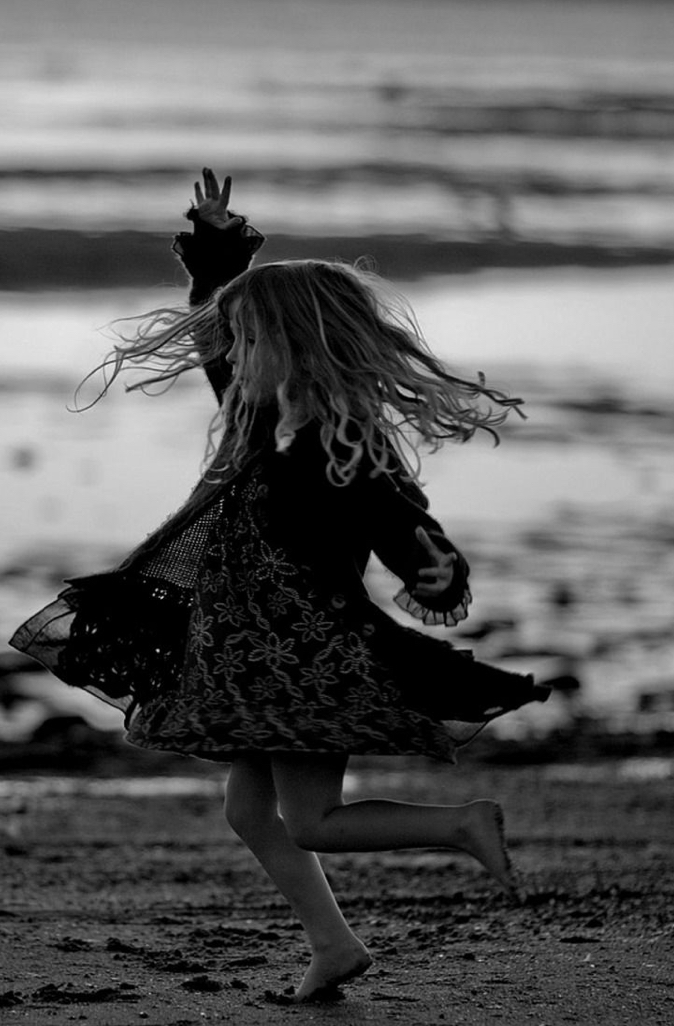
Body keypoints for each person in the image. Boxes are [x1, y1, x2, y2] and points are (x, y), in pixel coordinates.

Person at [10, 169, 549, 1003]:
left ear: (297, 350)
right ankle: (333, 945)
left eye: (253, 344)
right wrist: (218, 250)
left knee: (312, 822)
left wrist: (439, 574)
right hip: (255, 663)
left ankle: (461, 824)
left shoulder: (346, 449)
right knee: (248, 813)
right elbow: (212, 336)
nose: (236, 356)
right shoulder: (262, 425)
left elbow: (409, 533)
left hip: (306, 669)